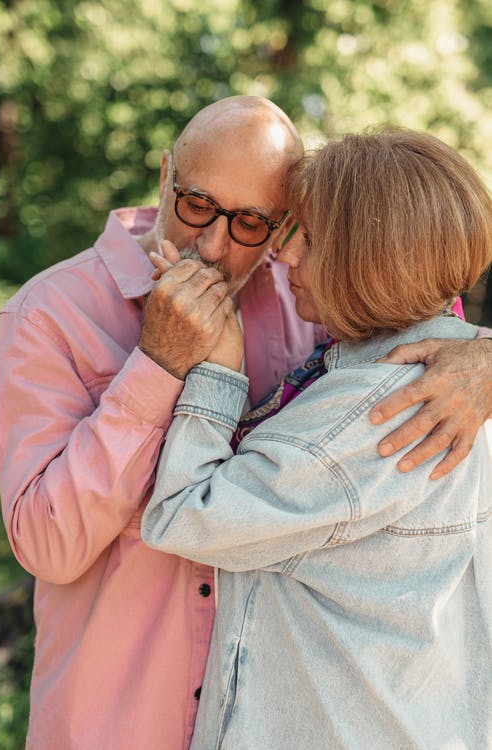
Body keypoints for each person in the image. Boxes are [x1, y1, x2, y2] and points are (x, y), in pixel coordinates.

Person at [0, 97, 490, 750]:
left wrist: (484, 354)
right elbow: (47, 545)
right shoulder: (49, 314)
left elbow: (409, 295)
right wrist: (157, 366)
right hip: (115, 723)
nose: (214, 244)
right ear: (167, 174)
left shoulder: (309, 294)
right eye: (197, 204)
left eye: (253, 223)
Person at [142, 128, 492, 749]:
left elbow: (181, 516)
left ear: (372, 257)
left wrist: (219, 370)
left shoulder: (373, 414)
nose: (285, 256)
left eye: (310, 236)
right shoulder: (462, 371)